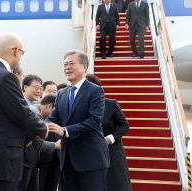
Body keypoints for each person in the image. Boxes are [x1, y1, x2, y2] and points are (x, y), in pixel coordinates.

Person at [0, 32, 48, 191]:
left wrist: (29, 135)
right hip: (3, 157)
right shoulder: (5, 76)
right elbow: (21, 113)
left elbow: (2, 115)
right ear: (16, 51)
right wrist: (42, 129)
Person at [46, 50, 110, 191]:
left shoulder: (95, 91)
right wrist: (40, 128)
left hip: (91, 160)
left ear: (84, 67)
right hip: (67, 159)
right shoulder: (62, 94)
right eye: (65, 64)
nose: (67, 67)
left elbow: (94, 121)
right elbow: (53, 118)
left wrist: (65, 131)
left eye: (71, 63)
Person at [86, 74, 132, 191]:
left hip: (111, 153)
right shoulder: (81, 107)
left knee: (114, 185)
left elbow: (124, 125)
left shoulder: (110, 104)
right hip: (89, 155)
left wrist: (109, 139)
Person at [29, 95, 61, 191]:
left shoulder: (37, 112)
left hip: (51, 158)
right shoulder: (35, 114)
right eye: (54, 112)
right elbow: (37, 142)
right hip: (35, 159)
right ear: (49, 106)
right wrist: (56, 145)